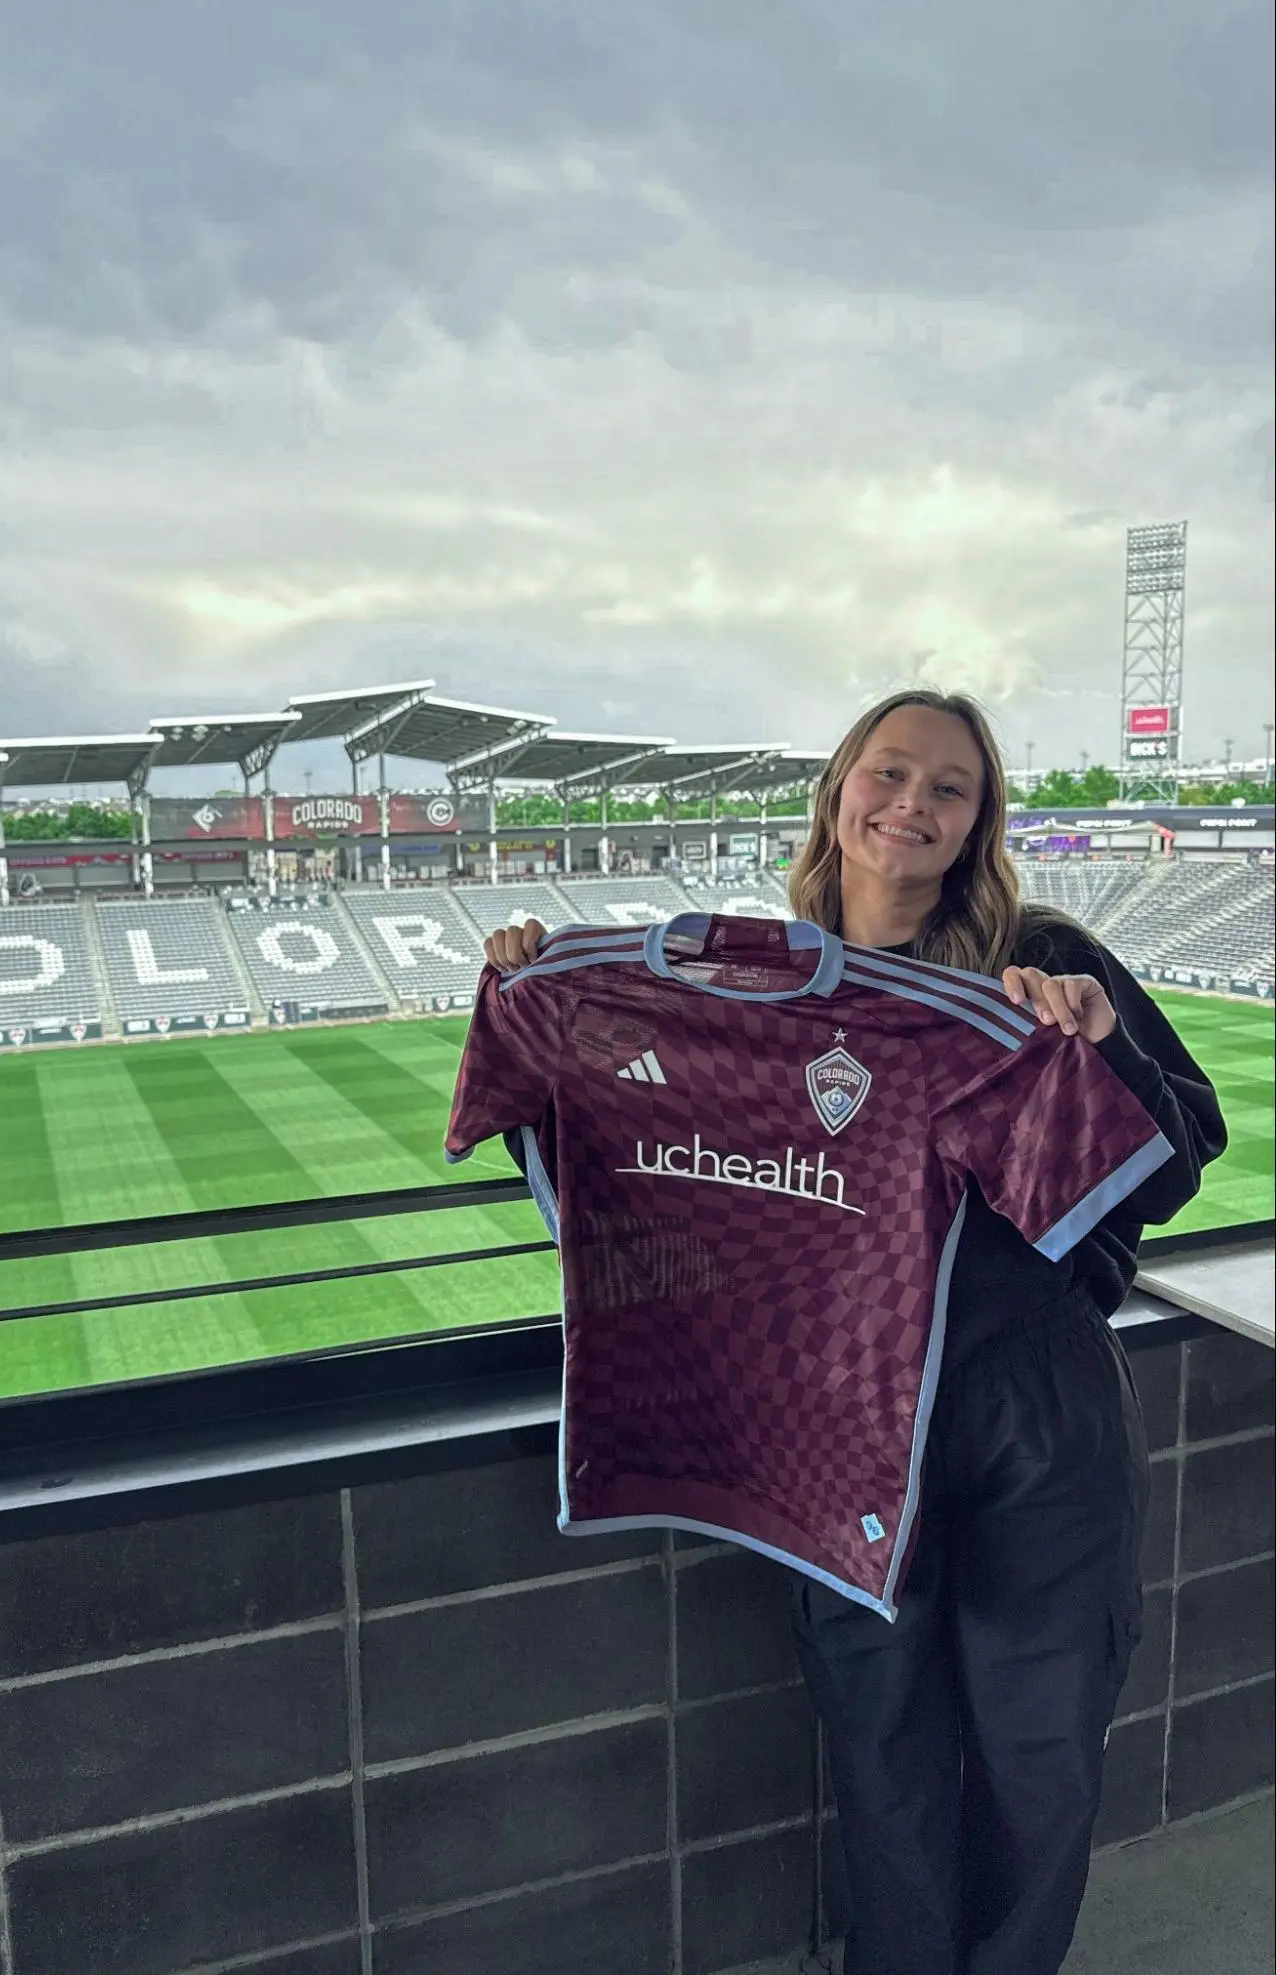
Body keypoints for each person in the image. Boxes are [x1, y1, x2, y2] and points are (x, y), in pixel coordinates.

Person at [479, 689, 1226, 1975]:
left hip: (1031, 1406)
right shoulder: (755, 986)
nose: (912, 806)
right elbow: (656, 1162)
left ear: (980, 819)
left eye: (950, 787)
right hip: (836, 1408)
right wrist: (540, 1002)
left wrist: (1100, 1055)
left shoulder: (1040, 956)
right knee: (878, 1736)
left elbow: (1177, 1160)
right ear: (837, 790)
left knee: (1037, 1741)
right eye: (889, 774)